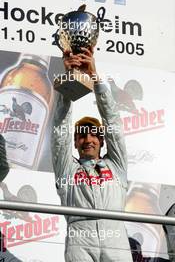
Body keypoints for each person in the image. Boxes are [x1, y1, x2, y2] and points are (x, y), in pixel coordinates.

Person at [51, 47, 132, 262]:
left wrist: (95, 78)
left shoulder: (117, 166)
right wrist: (69, 82)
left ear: (102, 140)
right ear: (75, 143)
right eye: (81, 136)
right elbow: (59, 131)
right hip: (80, 242)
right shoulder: (67, 169)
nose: (87, 140)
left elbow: (112, 121)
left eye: (94, 135)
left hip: (116, 241)